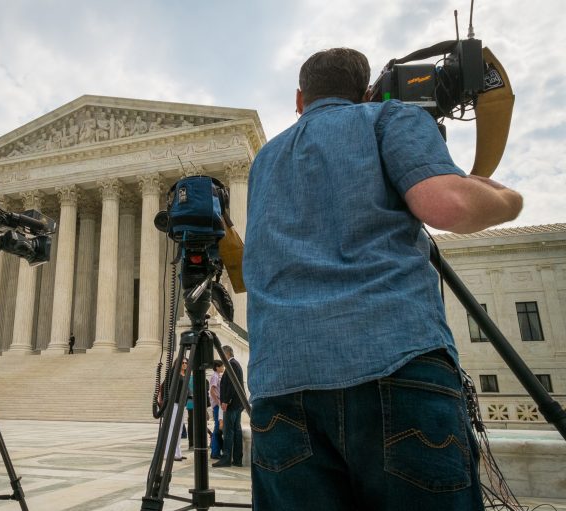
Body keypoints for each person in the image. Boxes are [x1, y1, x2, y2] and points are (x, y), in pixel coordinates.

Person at [242, 48, 523, 511]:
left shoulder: (265, 160)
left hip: (281, 383)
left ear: (298, 99)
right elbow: (448, 206)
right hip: (393, 363)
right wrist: (510, 200)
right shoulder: (387, 117)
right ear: (367, 92)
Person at [212, 346, 244, 468]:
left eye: (222, 355)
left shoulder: (232, 364)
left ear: (226, 354)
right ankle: (237, 459)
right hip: (236, 404)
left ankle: (226, 459)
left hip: (231, 404)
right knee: (236, 431)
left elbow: (231, 384)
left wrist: (226, 401)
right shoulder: (236, 364)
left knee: (229, 432)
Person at [209, 360, 224, 459]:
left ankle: (216, 451)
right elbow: (212, 391)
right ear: (217, 367)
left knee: (218, 429)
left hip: (217, 404)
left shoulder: (217, 376)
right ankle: (215, 452)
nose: (223, 368)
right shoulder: (215, 376)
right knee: (217, 428)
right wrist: (218, 402)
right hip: (217, 405)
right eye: (222, 366)